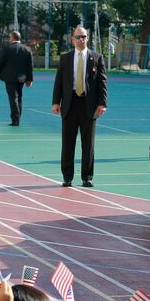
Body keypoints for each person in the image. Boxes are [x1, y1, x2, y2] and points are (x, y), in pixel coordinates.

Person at [52, 26, 107, 188]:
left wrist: (102, 103)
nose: (81, 39)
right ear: (72, 39)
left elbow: (102, 82)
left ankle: (87, 177)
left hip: (88, 105)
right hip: (69, 104)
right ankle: (67, 176)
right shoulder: (66, 58)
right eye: (78, 37)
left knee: (88, 143)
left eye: (84, 36)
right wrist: (56, 102)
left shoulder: (97, 57)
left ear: (88, 38)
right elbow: (59, 82)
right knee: (68, 142)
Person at [0, 31, 34, 126]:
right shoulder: (27, 49)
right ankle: (18, 118)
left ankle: (15, 119)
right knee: (19, 97)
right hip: (22, 78)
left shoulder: (7, 49)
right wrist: (30, 79)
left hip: (9, 78)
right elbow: (30, 66)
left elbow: (0, 63)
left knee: (13, 98)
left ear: (12, 38)